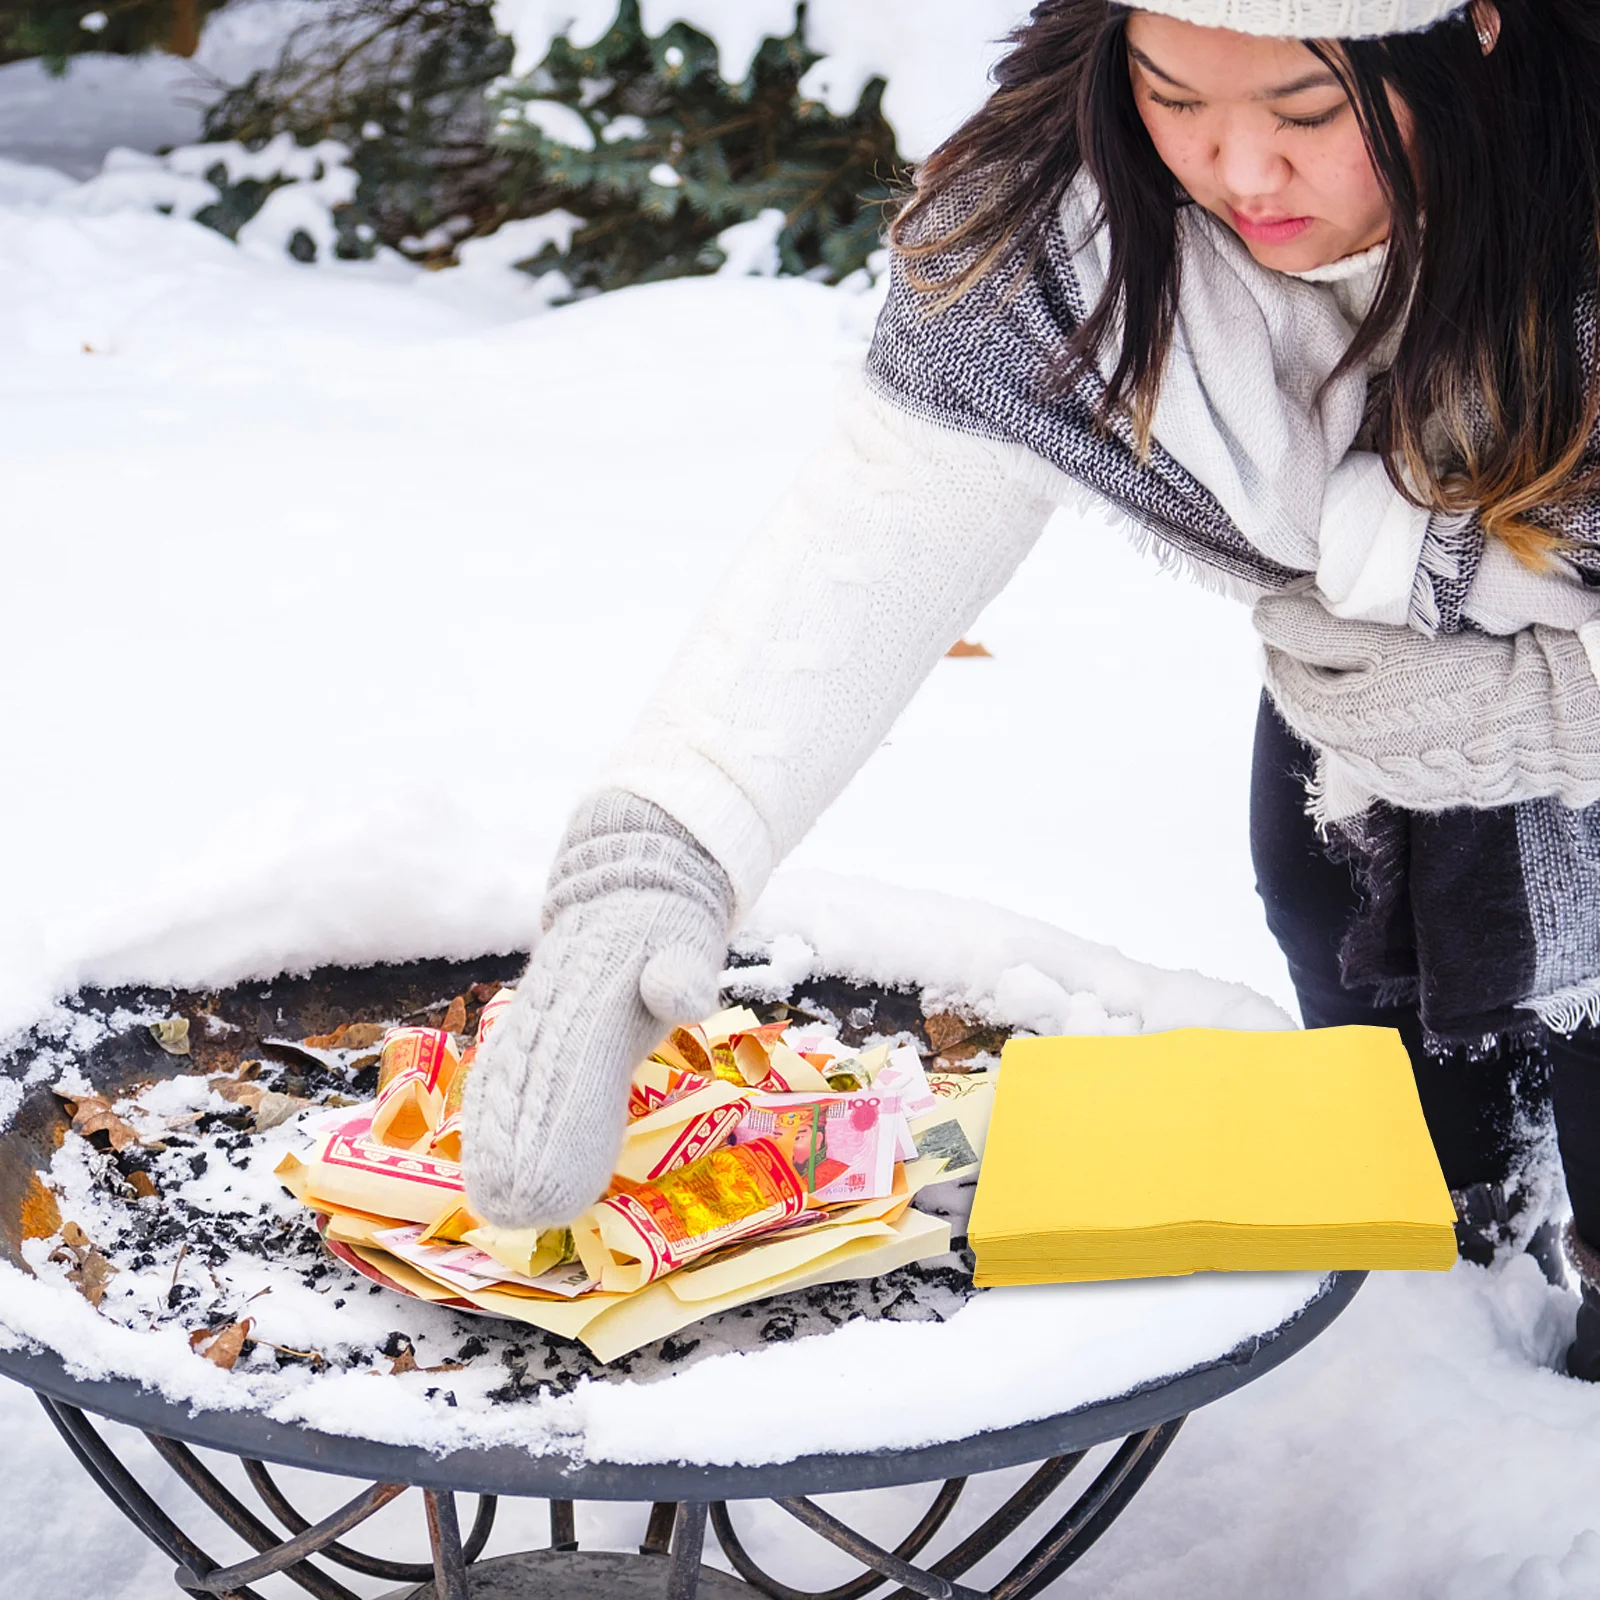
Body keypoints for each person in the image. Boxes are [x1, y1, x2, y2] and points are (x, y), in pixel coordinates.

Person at [461, 0, 1600, 1377]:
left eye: (1307, 113)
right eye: (1176, 95)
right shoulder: (1066, 237)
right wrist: (658, 854)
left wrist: (1554, 717)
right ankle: (1464, 1345)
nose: (1241, 174)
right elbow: (875, 531)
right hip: (1372, 749)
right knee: (1401, 1128)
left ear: (1471, 28)